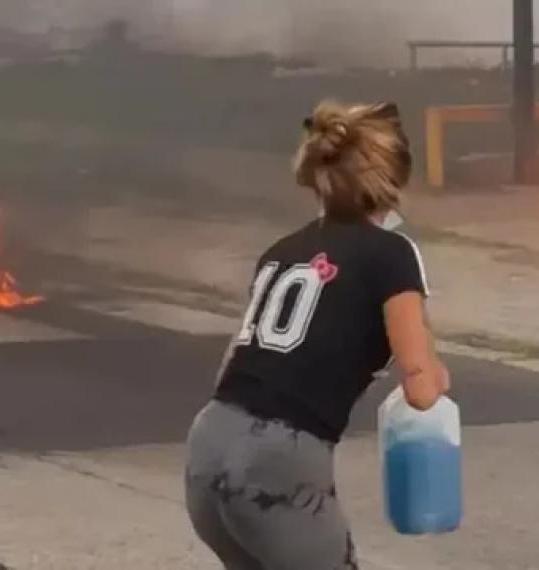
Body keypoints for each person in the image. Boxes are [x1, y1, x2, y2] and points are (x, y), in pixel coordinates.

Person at [184, 100, 450, 570]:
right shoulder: (390, 254)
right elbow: (421, 386)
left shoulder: (280, 252)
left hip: (208, 446)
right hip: (277, 461)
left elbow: (234, 362)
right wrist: (434, 370)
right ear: (392, 181)